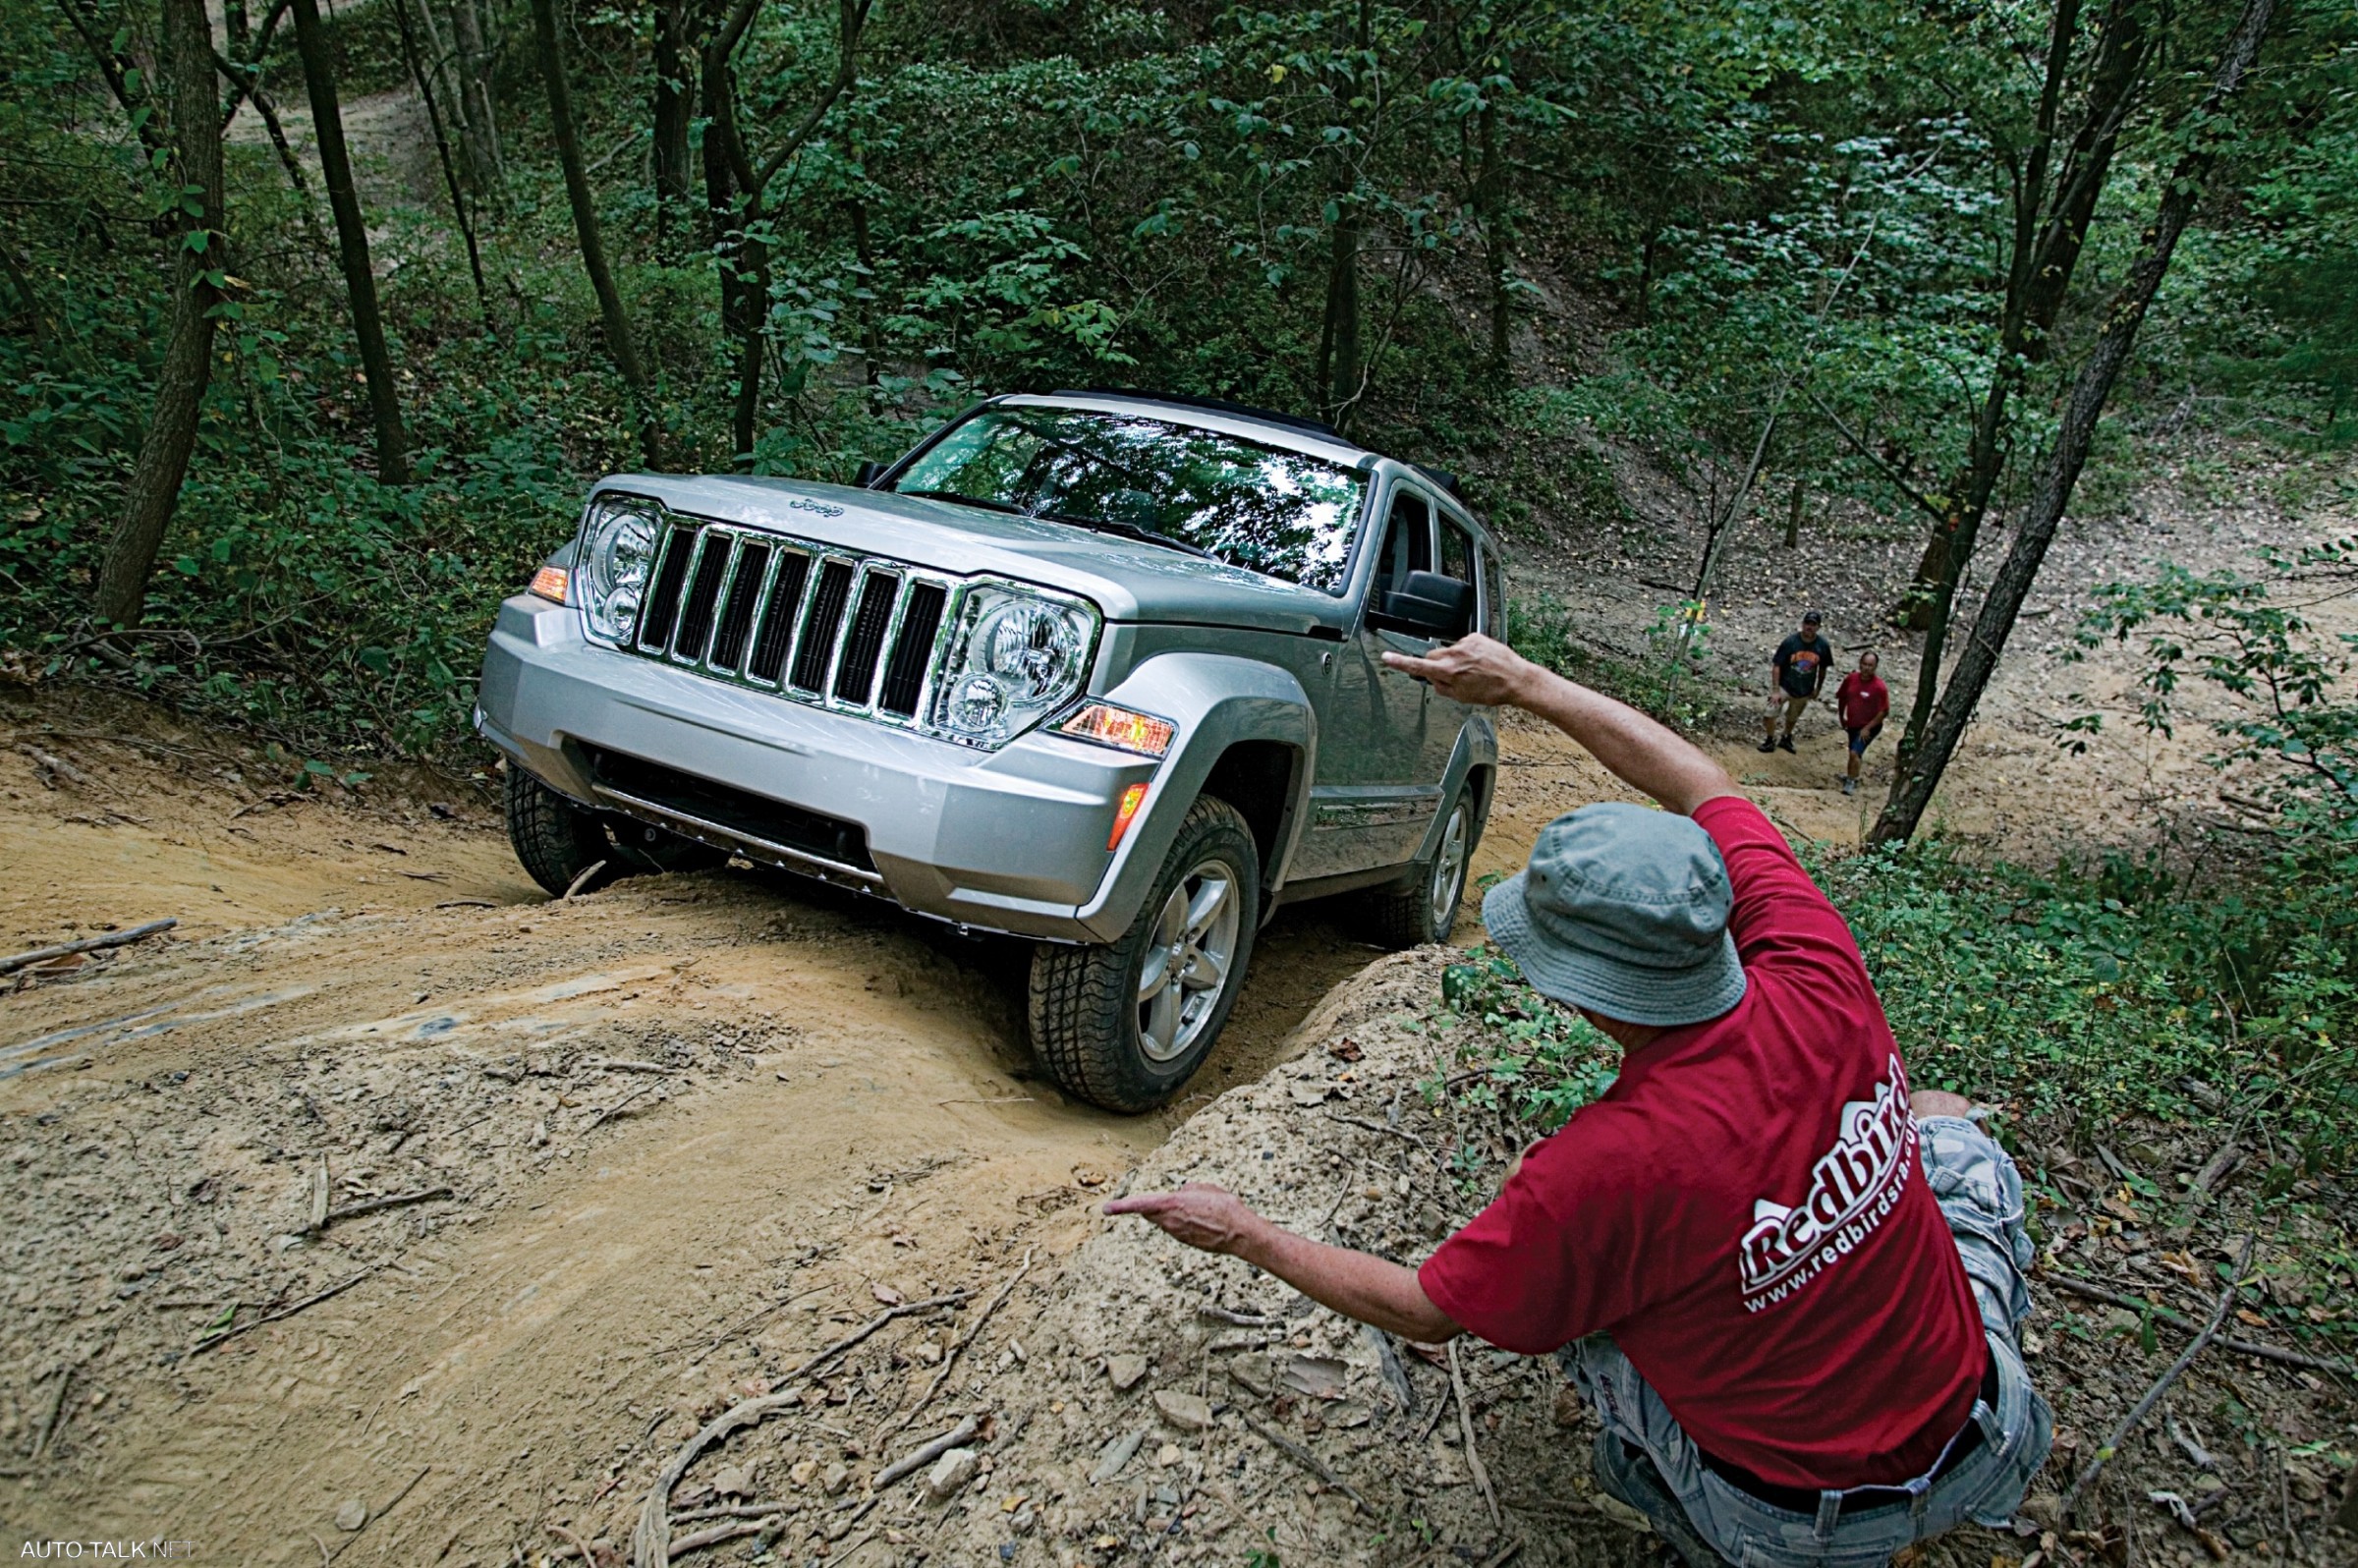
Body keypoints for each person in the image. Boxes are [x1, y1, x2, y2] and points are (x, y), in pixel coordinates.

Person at [1105, 632, 2051, 1568]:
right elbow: (1702, 783)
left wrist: (1244, 1232)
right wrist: (1526, 683)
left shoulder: (1603, 1172)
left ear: (1575, 992)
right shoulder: (1812, 956)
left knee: (1588, 1327)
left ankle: (1678, 1502)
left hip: (1796, 1522)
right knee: (1939, 1121)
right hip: (1991, 1425)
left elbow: (1430, 1309)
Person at [1760, 610, 1833, 754]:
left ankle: (1786, 737)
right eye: (1807, 623)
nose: (1809, 627)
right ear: (1802, 624)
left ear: (1818, 627)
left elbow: (1823, 668)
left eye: (1813, 624)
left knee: (1793, 717)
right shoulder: (1791, 642)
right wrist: (1775, 690)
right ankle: (1769, 739)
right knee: (1769, 713)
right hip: (1785, 685)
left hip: (1804, 689)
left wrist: (1818, 688)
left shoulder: (1822, 645)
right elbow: (1777, 665)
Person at [1835, 652, 1890, 796]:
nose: (1866, 668)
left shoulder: (1879, 687)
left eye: (1870, 665)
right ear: (1860, 663)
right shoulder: (1851, 679)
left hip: (1869, 726)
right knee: (1853, 751)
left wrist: (1867, 728)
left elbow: (1884, 711)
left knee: (1855, 752)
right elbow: (1842, 697)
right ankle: (1851, 775)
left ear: (1875, 667)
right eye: (1864, 664)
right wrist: (1842, 716)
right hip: (1852, 723)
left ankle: (1851, 781)